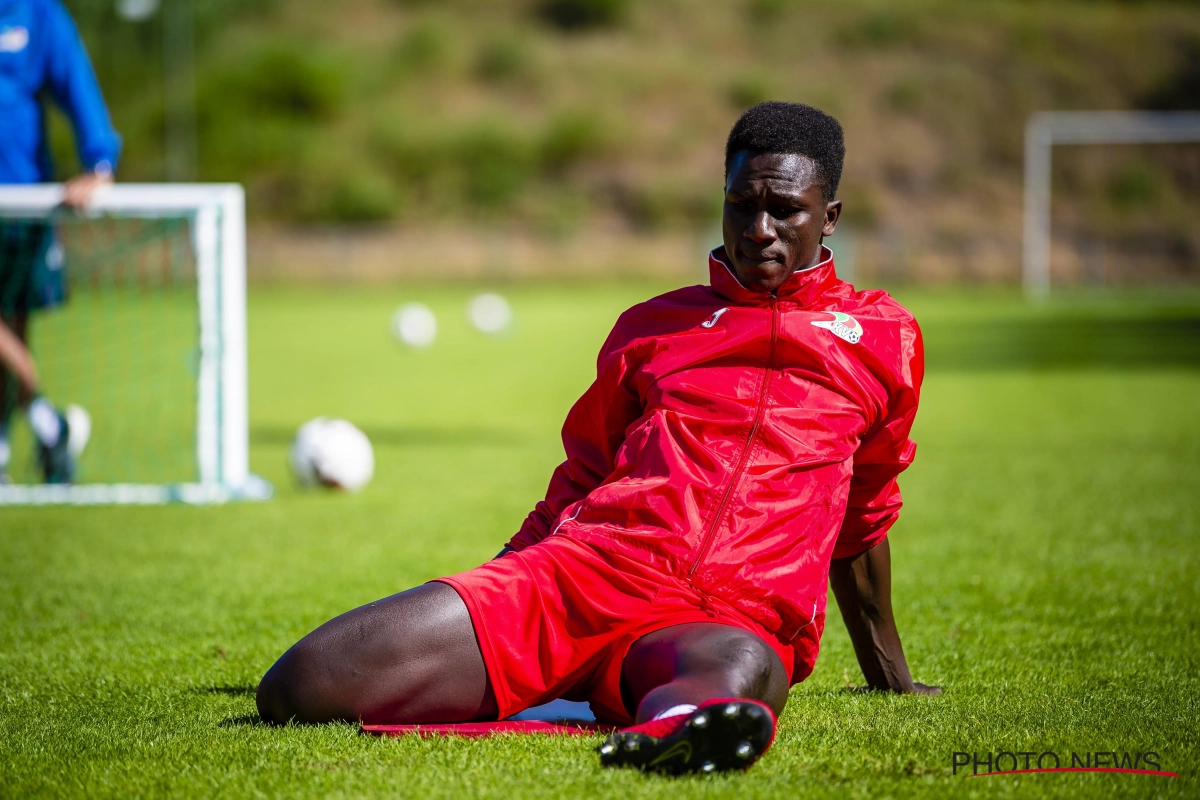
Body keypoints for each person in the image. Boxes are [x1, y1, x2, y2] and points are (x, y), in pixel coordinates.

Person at [257, 102, 940, 774]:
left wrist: (890, 676)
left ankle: (676, 729)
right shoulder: (650, 326)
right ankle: (598, 688)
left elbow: (866, 511)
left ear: (830, 216)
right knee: (301, 685)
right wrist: (501, 577)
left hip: (732, 615)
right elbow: (581, 477)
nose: (758, 229)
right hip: (587, 574)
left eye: (784, 209)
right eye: (740, 205)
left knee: (742, 667)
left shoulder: (885, 338)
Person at [0, 0, 120, 482]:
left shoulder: (36, 13)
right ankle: (50, 425)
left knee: (15, 328)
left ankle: (8, 446)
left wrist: (99, 163)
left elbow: (76, 84)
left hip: (20, 201)